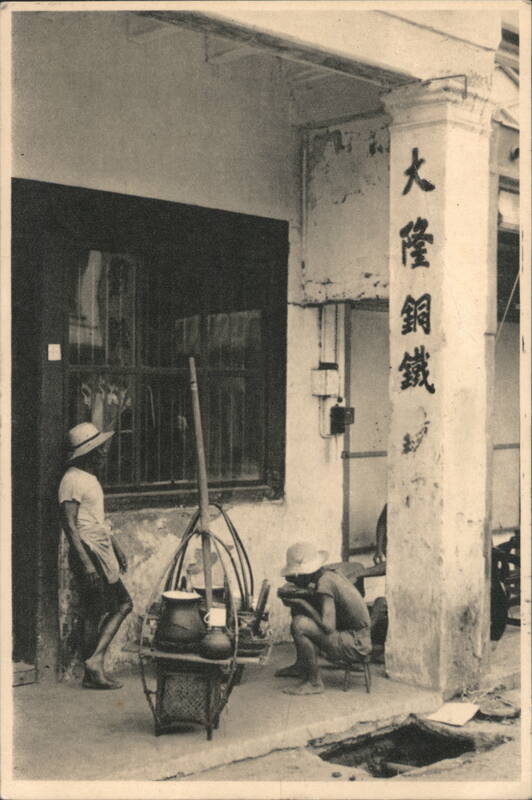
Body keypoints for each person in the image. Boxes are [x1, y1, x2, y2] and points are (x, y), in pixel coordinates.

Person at [59, 422, 132, 689]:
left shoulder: (89, 478)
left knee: (102, 609)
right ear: (86, 453)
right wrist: (87, 563)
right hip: (88, 551)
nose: (102, 453)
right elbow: (70, 525)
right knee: (118, 605)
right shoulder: (72, 479)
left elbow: (97, 520)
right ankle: (94, 664)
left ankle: (93, 670)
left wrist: (116, 546)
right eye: (97, 450)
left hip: (99, 549)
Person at [275, 542, 371, 695]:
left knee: (299, 624)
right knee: (297, 610)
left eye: (295, 575)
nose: (293, 579)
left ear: (305, 573)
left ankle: (314, 683)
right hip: (354, 636)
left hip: (356, 645)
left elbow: (328, 627)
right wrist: (301, 601)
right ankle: (301, 665)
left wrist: (302, 603)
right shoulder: (328, 574)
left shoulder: (325, 583)